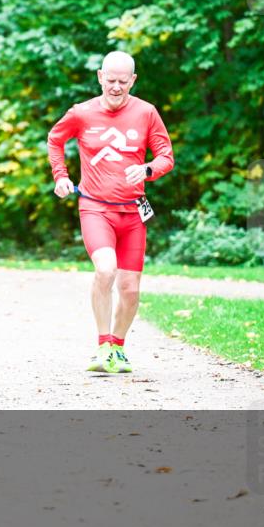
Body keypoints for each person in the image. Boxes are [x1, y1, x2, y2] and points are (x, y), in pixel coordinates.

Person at [47, 50, 174, 374]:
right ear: (100, 77)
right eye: (111, 80)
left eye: (123, 82)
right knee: (106, 270)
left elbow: (165, 157)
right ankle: (102, 345)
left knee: (130, 289)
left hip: (132, 213)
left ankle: (118, 347)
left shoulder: (146, 113)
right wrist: (61, 177)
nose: (116, 87)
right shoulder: (81, 113)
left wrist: (146, 170)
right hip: (95, 208)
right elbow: (55, 139)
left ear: (133, 80)